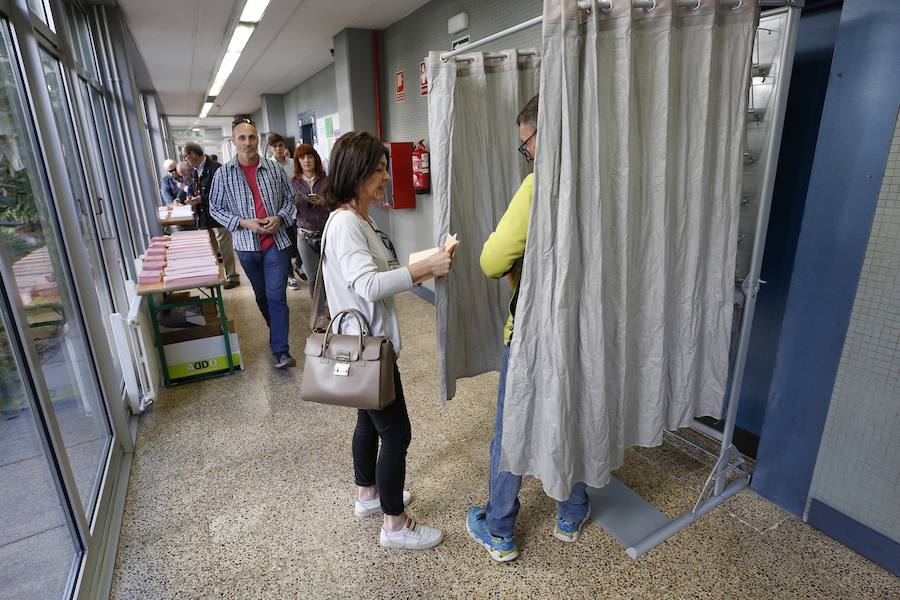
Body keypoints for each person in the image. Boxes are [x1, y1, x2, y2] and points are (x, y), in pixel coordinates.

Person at [466, 94, 590, 562]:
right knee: (569, 415)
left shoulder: (539, 186)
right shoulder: (599, 182)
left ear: (545, 134)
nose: (529, 153)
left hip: (533, 329)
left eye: (528, 143)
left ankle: (499, 529)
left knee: (512, 426)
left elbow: (491, 260)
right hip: (581, 327)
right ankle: (570, 513)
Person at [322, 131, 452, 550]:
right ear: (357, 174)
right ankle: (395, 525)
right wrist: (423, 270)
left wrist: (418, 264)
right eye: (379, 170)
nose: (386, 178)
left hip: (363, 346)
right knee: (396, 434)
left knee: (368, 420)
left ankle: (368, 495)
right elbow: (368, 284)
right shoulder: (345, 224)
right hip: (369, 350)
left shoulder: (360, 218)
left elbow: (379, 269)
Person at [209, 116, 297, 369]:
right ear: (233, 141)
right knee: (261, 295)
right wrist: (242, 222)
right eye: (242, 138)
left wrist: (280, 217)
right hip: (246, 247)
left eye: (252, 137)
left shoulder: (274, 168)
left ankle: (281, 350)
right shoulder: (224, 174)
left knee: (276, 295)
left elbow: (290, 199)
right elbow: (215, 208)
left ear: (257, 139)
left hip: (276, 244)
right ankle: (276, 329)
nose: (248, 142)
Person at [182, 141, 240, 289]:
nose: (185, 160)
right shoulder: (194, 171)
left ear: (193, 154)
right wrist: (190, 197)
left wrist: (202, 198)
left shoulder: (216, 168)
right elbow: (191, 189)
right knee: (210, 249)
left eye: (185, 156)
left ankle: (232, 277)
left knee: (225, 248)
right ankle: (215, 277)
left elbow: (225, 193)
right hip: (202, 215)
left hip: (219, 216)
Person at [292, 143, 330, 330]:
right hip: (304, 235)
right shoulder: (293, 183)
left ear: (315, 159)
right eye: (302, 157)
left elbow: (337, 203)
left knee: (330, 274)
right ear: (298, 161)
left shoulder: (326, 180)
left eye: (310, 156)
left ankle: (333, 309)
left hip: (326, 232)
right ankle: (320, 314)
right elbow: (288, 208)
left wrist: (325, 202)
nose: (306, 160)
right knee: (313, 277)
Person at [268, 132, 303, 290]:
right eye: (275, 146)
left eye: (280, 145)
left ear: (285, 147)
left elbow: (300, 181)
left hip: (298, 209)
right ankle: (290, 276)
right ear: (270, 148)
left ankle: (299, 264)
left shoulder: (293, 163)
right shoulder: (268, 165)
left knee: (301, 243)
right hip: (280, 212)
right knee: (286, 246)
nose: (278, 149)